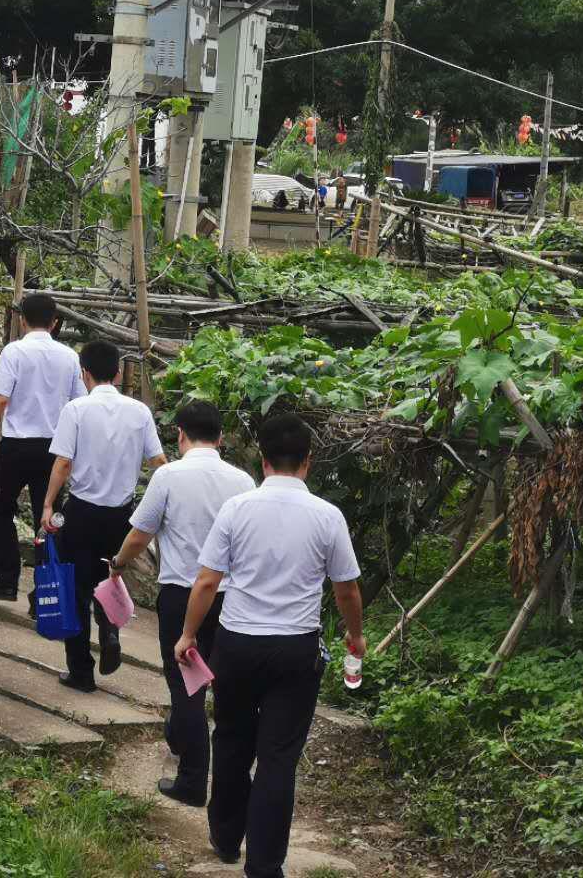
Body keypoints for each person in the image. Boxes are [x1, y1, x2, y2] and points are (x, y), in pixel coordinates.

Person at [175, 413, 364, 877]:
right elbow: (346, 590)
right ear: (308, 462)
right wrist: (354, 635)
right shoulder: (327, 515)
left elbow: (206, 582)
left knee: (233, 739)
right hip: (295, 652)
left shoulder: (238, 510)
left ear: (262, 461)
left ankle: (224, 836)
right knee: (279, 757)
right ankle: (264, 865)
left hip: (238, 645)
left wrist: (188, 634)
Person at [109, 400, 254, 807]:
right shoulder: (243, 481)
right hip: (230, 600)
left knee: (185, 687)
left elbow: (140, 534)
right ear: (221, 438)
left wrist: (118, 565)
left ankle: (192, 780)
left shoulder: (169, 476)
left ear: (180, 434)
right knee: (221, 687)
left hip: (180, 595)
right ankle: (220, 771)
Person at [41, 340, 165, 693]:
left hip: (81, 512)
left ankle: (81, 671)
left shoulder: (77, 410)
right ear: (117, 373)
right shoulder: (139, 412)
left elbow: (63, 463)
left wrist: (49, 505)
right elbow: (159, 462)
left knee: (76, 590)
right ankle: (109, 630)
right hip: (120, 517)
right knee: (109, 576)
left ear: (85, 373)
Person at [0, 293, 85, 603]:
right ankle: (46, 593)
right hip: (53, 449)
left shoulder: (15, 352)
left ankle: (6, 581)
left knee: (0, 511)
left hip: (17, 447)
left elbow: (1, 400)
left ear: (22, 320)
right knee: (49, 518)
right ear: (55, 322)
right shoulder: (69, 357)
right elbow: (79, 405)